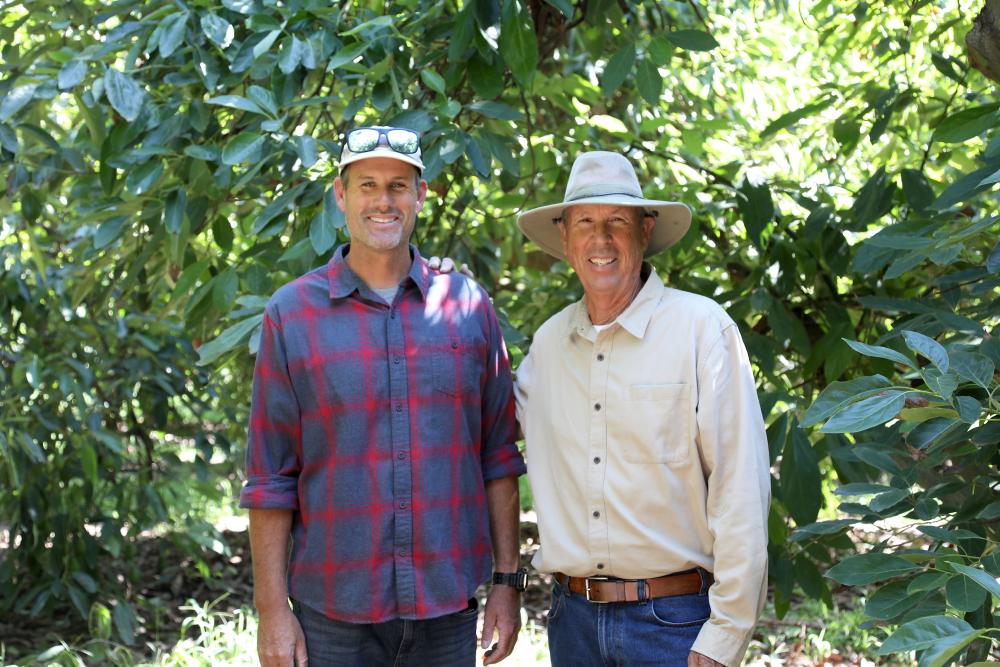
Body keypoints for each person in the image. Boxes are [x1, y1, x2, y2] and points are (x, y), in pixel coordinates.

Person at [240, 126, 527, 667]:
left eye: (399, 185)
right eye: (367, 184)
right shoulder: (291, 314)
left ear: (420, 195)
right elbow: (271, 476)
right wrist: (272, 612)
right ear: (341, 195)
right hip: (332, 615)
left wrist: (508, 583)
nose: (383, 200)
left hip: (447, 611)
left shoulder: (467, 306)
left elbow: (498, 455)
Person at [514, 151, 770, 667]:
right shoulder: (548, 345)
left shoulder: (701, 329)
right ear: (564, 237)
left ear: (645, 229)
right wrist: (435, 296)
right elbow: (477, 417)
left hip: (674, 626)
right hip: (572, 624)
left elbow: (740, 488)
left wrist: (727, 633)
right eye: (585, 221)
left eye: (617, 222)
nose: (600, 239)